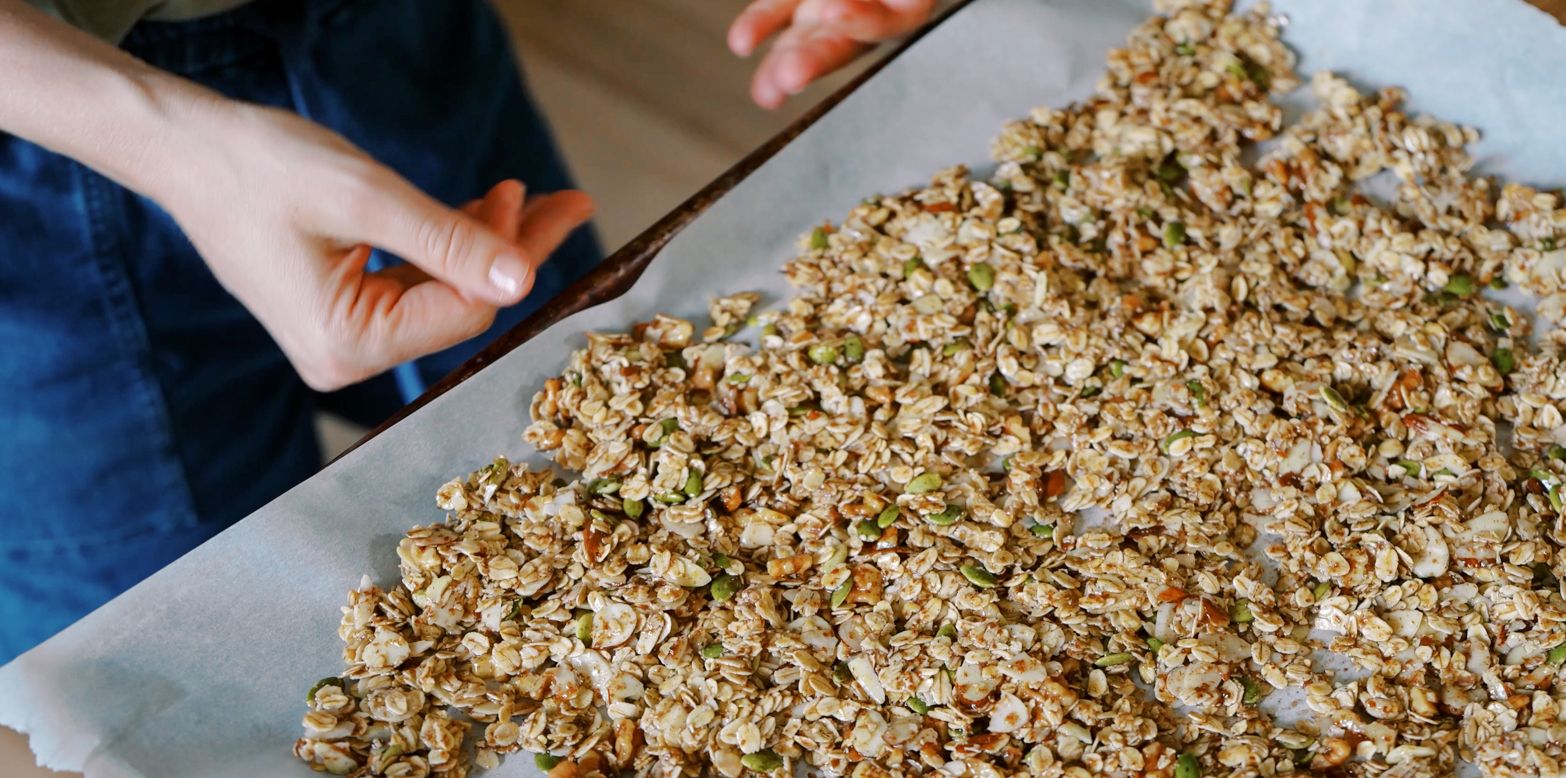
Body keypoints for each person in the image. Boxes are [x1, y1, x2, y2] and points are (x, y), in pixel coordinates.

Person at [0, 0, 936, 661]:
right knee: (179, 634)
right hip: (36, 148)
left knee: (583, 462)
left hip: (392, 36)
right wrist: (168, 144)